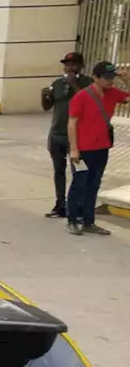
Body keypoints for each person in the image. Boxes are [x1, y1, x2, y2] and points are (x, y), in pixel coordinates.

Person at [66, 60, 129, 236]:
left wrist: (127, 80)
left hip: (102, 148)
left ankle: (88, 221)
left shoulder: (113, 93)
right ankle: (72, 220)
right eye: (107, 78)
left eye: (112, 78)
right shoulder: (82, 97)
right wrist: (74, 149)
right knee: (79, 185)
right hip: (83, 149)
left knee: (94, 185)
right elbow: (72, 122)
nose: (110, 81)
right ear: (95, 77)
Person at [41, 52, 92, 219]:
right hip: (56, 133)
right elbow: (47, 107)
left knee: (78, 172)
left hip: (76, 136)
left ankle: (76, 207)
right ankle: (60, 205)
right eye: (67, 64)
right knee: (58, 171)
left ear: (81, 66)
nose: (69, 67)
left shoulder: (88, 83)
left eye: (73, 64)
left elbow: (88, 103)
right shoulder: (57, 83)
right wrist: (45, 97)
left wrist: (74, 85)